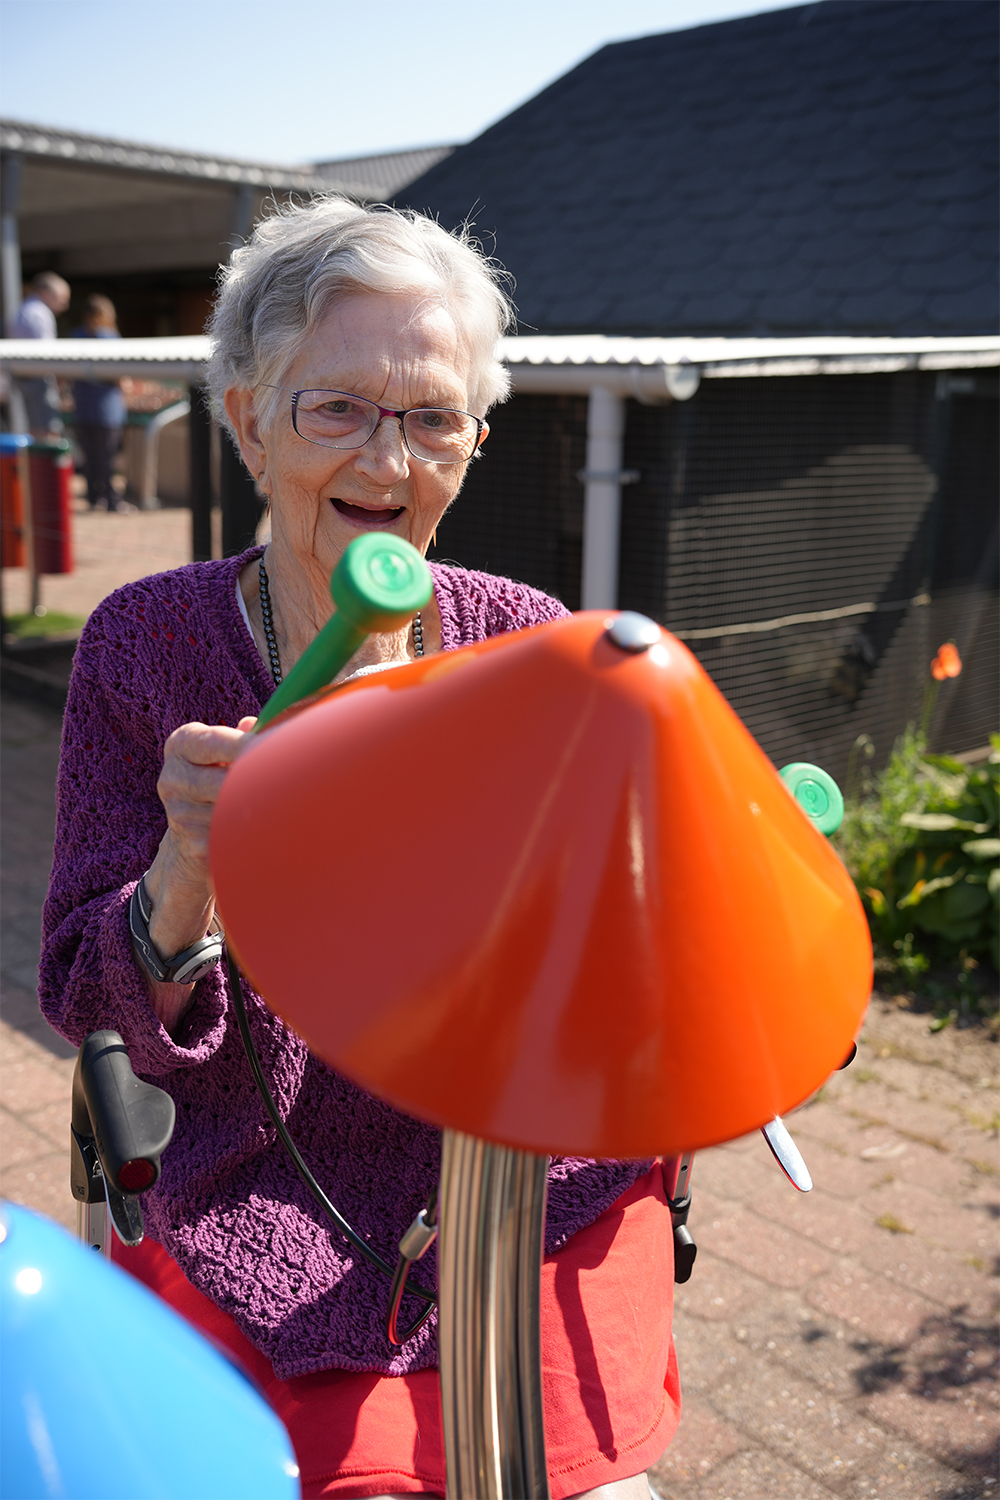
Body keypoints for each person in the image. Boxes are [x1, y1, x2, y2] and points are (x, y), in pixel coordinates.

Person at [39, 198, 679, 1500]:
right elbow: (81, 990)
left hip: (526, 1187)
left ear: (476, 441)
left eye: (432, 416)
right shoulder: (145, 646)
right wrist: (187, 872)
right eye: (337, 408)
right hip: (266, 1187)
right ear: (246, 421)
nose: (391, 459)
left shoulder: (525, 638)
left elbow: (618, 960)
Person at [70, 294, 130, 512]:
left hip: (84, 407)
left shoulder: (77, 336)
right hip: (106, 408)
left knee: (91, 456)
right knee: (108, 457)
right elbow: (119, 375)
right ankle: (112, 501)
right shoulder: (109, 337)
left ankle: (94, 498)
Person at [11, 270, 70, 436]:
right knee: (48, 430)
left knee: (36, 429)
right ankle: (46, 462)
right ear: (46, 292)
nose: (64, 305)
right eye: (61, 298)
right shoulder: (40, 313)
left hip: (24, 376)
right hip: (39, 378)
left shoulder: (23, 308)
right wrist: (60, 378)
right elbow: (47, 354)